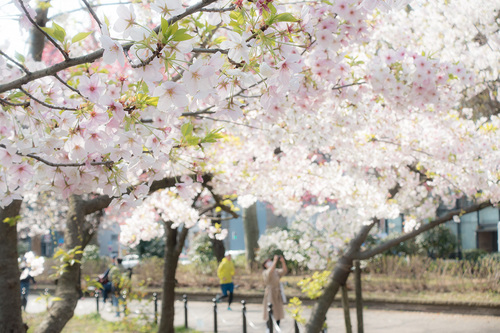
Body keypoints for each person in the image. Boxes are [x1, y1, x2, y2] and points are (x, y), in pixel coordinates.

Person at [262, 255, 288, 330]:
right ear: (265, 265)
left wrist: (282, 262)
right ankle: (268, 328)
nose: (270, 263)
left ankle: (277, 327)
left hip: (277, 293)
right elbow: (270, 272)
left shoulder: (276, 271)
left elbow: (284, 271)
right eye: (268, 262)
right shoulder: (265, 272)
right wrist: (275, 261)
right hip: (270, 293)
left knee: (278, 311)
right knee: (270, 311)